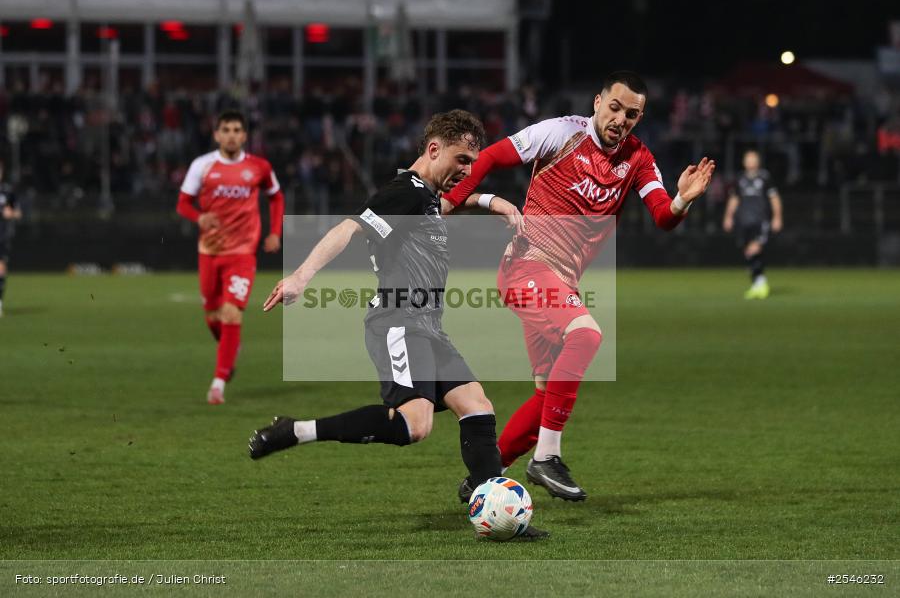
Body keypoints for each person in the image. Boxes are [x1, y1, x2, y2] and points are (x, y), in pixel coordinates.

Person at [247, 110, 546, 539]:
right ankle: (295, 431)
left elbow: (446, 205)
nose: (467, 171)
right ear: (434, 149)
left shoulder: (425, 197)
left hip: (428, 325)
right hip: (398, 321)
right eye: (462, 160)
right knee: (415, 424)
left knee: (477, 406)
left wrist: (489, 201)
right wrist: (301, 276)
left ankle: (494, 507)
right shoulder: (405, 191)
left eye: (472, 163)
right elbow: (351, 227)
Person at [443, 71, 716, 502]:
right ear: (597, 103)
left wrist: (682, 199)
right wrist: (451, 199)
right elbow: (492, 156)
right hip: (527, 266)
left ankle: (484, 475)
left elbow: (663, 216)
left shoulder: (638, 158)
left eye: (632, 115)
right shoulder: (561, 133)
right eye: (615, 107)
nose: (620, 119)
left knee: (547, 395)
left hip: (560, 281)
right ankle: (547, 457)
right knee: (586, 334)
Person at [176, 111, 285, 404]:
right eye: (226, 129)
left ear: (245, 135)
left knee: (231, 313)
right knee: (213, 317)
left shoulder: (259, 167)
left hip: (242, 253)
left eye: (237, 130)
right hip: (209, 252)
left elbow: (276, 196)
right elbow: (183, 203)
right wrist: (199, 218)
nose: (232, 135)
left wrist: (275, 232)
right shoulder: (202, 166)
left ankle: (218, 384)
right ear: (216, 134)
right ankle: (230, 347)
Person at [722, 150, 783, 299]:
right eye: (748, 159)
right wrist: (728, 217)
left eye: (753, 159)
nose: (751, 162)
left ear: (758, 161)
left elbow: (774, 198)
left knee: (754, 249)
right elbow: (734, 199)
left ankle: (760, 283)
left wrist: (777, 217)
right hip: (744, 221)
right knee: (748, 252)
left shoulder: (764, 178)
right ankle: (758, 283)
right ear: (744, 162)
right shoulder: (740, 179)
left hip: (761, 221)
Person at [0, 159, 22, 318]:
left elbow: (18, 213)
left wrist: (11, 213)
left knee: (1, 269)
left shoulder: (7, 191)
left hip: (2, 236)